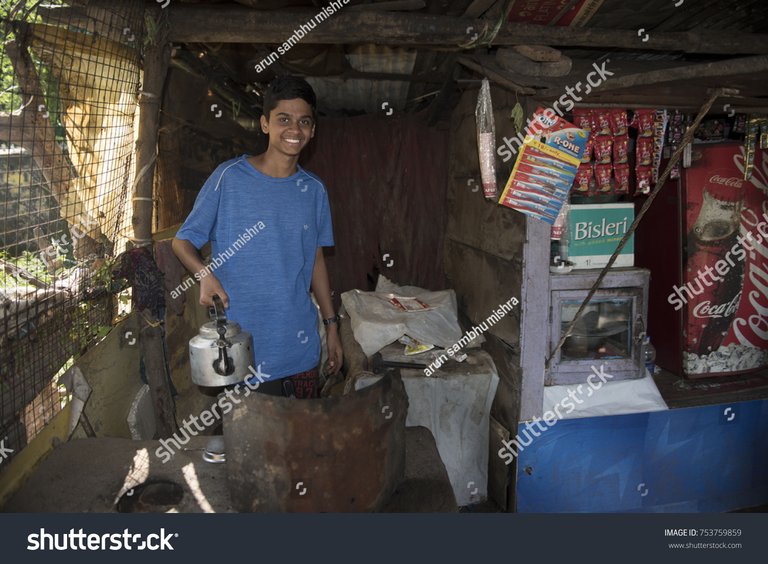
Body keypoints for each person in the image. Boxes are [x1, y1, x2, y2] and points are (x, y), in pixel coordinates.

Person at [172, 76, 342, 399]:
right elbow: (181, 242)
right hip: (241, 354)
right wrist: (204, 275)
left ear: (313, 130)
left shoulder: (314, 191)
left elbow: (316, 258)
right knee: (250, 447)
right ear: (265, 124)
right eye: (284, 119)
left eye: (304, 121)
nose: (295, 129)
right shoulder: (229, 178)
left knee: (301, 445)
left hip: (299, 353)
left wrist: (332, 326)